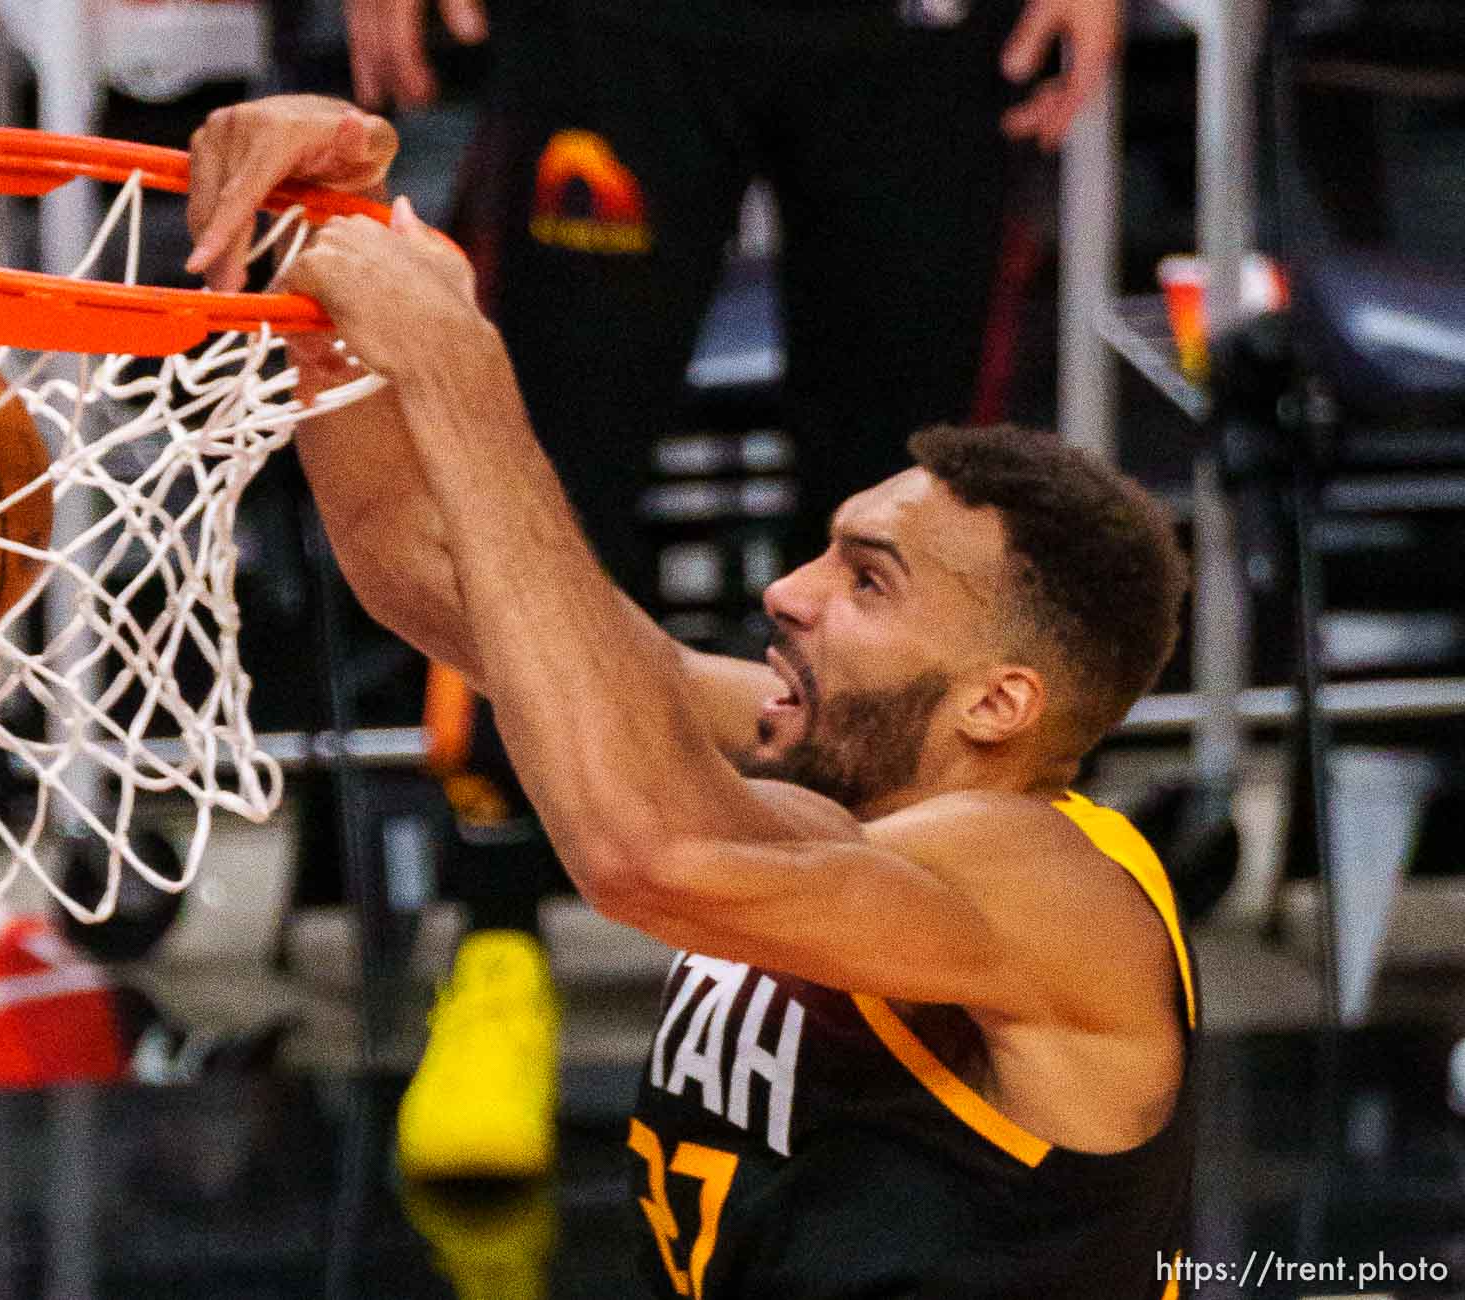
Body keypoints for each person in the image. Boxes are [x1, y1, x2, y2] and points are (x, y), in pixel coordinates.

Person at [184, 95, 1195, 1296]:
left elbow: (645, 852)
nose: (784, 591)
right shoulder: (824, 764)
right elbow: (426, 575)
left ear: (998, 703)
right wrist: (327, 256)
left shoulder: (1050, 884)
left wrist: (463, 368)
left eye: (867, 581)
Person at [329, 0, 1127, 1185]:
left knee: (914, 503)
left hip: (917, 38)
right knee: (536, 463)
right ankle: (497, 943)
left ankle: (883, 995)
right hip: (622, 32)